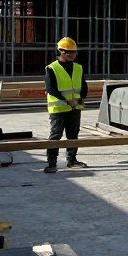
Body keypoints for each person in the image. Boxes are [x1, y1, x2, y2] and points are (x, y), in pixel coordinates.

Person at [44, 37, 88, 173]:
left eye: (75, 52)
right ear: (62, 52)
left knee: (73, 135)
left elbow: (83, 85)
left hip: (75, 107)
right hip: (58, 108)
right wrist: (67, 100)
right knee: (55, 135)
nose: (74, 55)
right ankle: (51, 163)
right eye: (70, 52)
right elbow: (51, 88)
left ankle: (72, 160)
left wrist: (81, 98)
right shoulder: (52, 68)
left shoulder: (78, 67)